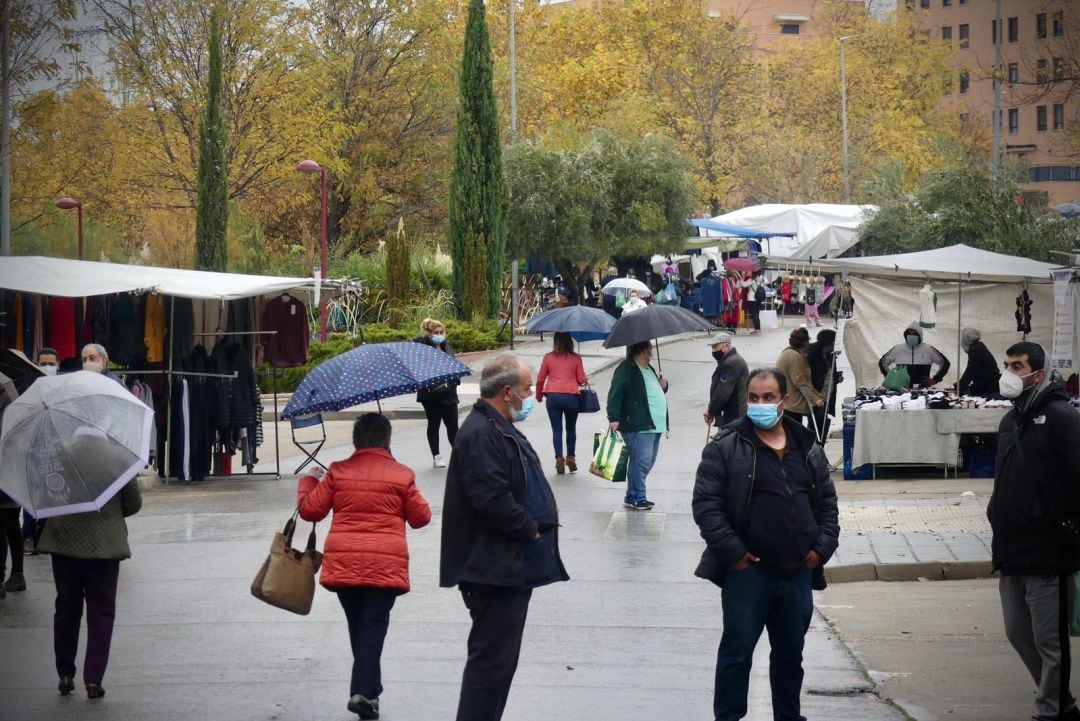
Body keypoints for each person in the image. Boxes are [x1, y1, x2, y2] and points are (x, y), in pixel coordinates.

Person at [692, 367, 839, 721]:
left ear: (784, 401)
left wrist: (821, 548)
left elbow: (828, 506)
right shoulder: (725, 447)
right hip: (749, 573)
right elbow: (706, 507)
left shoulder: (807, 447)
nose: (760, 404)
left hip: (797, 572)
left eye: (768, 397)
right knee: (737, 653)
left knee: (790, 656)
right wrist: (735, 555)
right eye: (754, 398)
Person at [441, 353, 569, 721]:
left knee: (498, 666)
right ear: (508, 391)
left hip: (506, 567)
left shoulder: (495, 426)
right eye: (528, 388)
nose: (531, 395)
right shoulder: (480, 433)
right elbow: (492, 500)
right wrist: (529, 528)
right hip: (492, 568)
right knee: (490, 667)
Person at [297, 413, 431, 720]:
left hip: (344, 563)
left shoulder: (338, 472)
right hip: (385, 564)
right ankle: (363, 692)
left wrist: (308, 481)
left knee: (360, 624)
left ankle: (370, 693)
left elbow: (310, 510)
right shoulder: (401, 474)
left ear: (356, 440)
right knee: (371, 625)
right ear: (387, 439)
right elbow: (420, 517)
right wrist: (402, 478)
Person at [989, 342, 1080, 721]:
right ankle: (1063, 703)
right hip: (1011, 547)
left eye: (1018, 366)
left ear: (1037, 374)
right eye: (1007, 365)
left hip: (1048, 549)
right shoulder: (1010, 420)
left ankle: (1051, 710)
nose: (1009, 372)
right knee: (1017, 632)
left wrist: (1064, 525)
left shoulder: (1061, 416)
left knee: (1049, 640)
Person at [37, 439, 142, 700]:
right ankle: (93, 678)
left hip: (63, 541)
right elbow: (133, 503)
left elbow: (45, 496)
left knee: (66, 608)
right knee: (101, 612)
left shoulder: (59, 455)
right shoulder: (119, 457)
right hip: (104, 545)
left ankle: (64, 672)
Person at [607, 340, 668, 510]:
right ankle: (638, 497)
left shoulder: (649, 369)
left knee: (647, 461)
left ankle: (631, 495)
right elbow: (615, 393)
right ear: (641, 350)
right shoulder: (626, 369)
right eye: (648, 348)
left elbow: (651, 391)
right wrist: (613, 417)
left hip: (655, 425)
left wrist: (664, 385)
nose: (651, 350)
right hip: (637, 424)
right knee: (641, 462)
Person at [535, 332, 588, 475]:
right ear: (570, 341)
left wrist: (539, 396)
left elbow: (540, 379)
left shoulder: (548, 357)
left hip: (553, 397)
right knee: (571, 429)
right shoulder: (576, 358)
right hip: (571, 397)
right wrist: (582, 376)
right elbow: (582, 379)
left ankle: (559, 460)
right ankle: (571, 458)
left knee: (556, 430)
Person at [413, 318, 460, 468]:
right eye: (436, 333)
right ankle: (436, 456)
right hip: (430, 393)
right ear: (429, 333)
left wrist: (456, 380)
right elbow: (419, 367)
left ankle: (458, 455)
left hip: (449, 392)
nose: (439, 335)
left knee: (453, 425)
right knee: (434, 424)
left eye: (441, 332)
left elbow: (453, 363)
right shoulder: (422, 346)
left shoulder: (446, 345)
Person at [774, 328, 823, 428]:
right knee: (793, 436)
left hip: (787, 403)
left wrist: (817, 395)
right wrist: (816, 399)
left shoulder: (789, 352)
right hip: (791, 405)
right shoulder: (795, 357)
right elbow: (801, 382)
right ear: (805, 343)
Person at [877, 323, 951, 388]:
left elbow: (945, 363)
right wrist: (890, 378)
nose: (911, 336)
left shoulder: (928, 349)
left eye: (915, 334)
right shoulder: (897, 349)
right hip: (902, 390)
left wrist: (936, 379)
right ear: (905, 335)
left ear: (920, 335)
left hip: (922, 390)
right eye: (909, 333)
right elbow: (882, 362)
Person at [704, 332, 748, 430]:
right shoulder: (728, 361)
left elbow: (722, 392)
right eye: (712, 347)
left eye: (715, 347)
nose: (713, 351)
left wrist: (711, 411)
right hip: (732, 416)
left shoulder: (731, 363)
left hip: (733, 417)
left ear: (726, 347)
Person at [806, 329, 844, 442]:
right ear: (829, 344)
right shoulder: (812, 355)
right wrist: (814, 396)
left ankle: (819, 445)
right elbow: (806, 378)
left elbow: (828, 373)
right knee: (816, 425)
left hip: (827, 396)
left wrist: (836, 378)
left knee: (822, 423)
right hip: (816, 396)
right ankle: (814, 447)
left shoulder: (830, 356)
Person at [957, 327, 1000, 397]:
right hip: (990, 384)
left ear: (966, 340)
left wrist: (958, 388)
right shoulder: (979, 347)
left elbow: (970, 372)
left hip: (987, 388)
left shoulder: (976, 350)